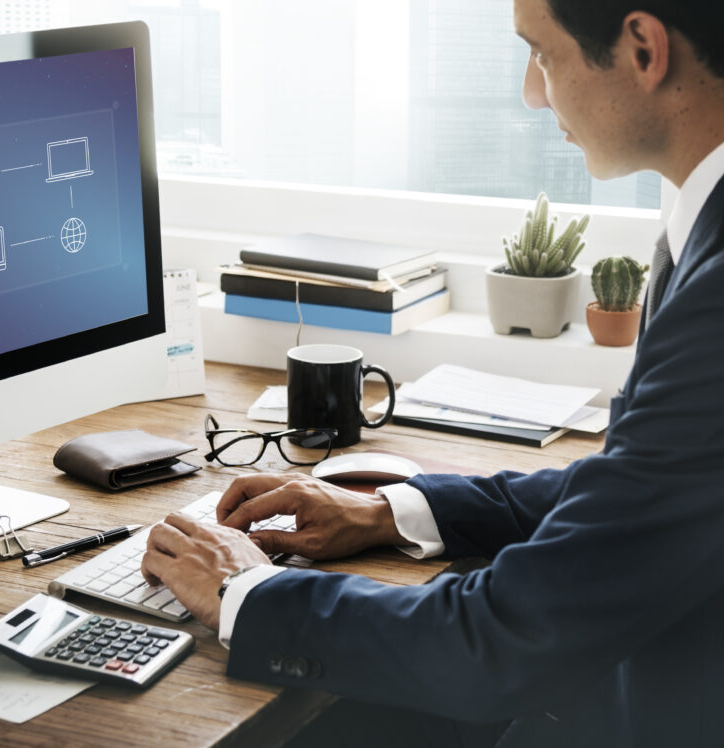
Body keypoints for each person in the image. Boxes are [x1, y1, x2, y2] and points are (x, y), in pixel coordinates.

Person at [140, 0, 724, 745]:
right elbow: (642, 487)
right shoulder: (700, 222)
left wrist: (244, 590)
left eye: (541, 53)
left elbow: (502, 642)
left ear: (643, 49)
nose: (531, 93)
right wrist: (395, 512)